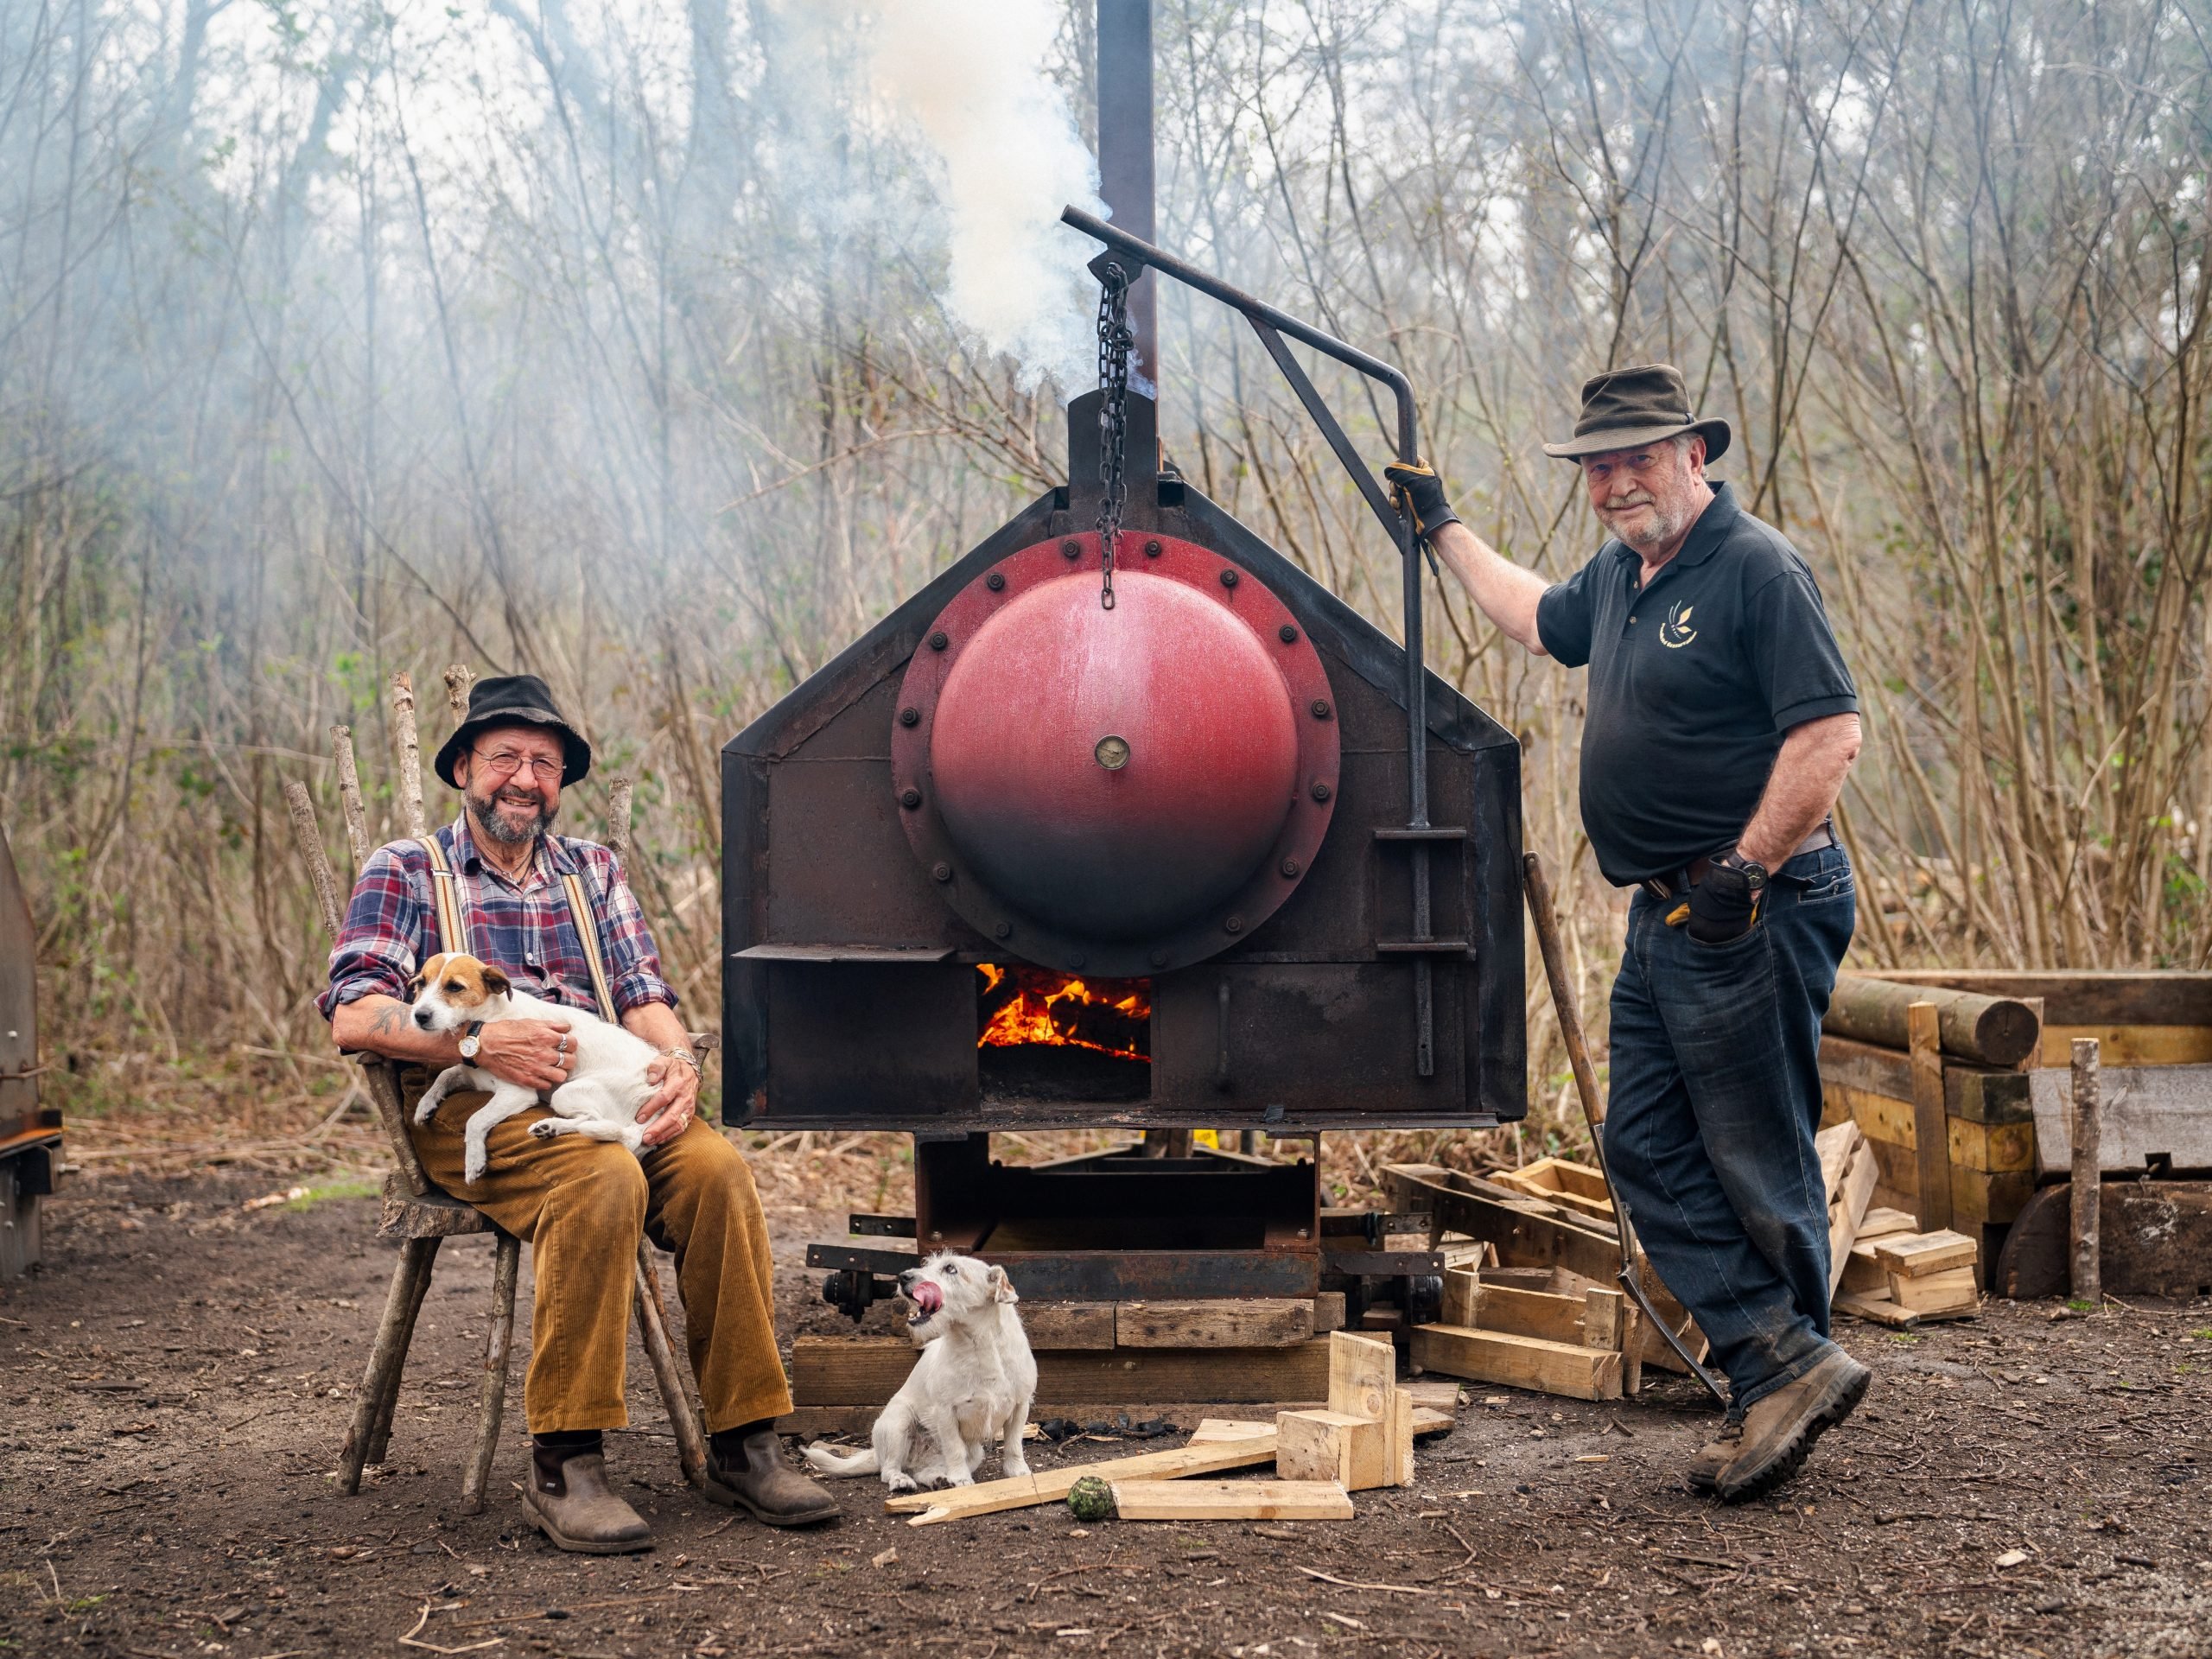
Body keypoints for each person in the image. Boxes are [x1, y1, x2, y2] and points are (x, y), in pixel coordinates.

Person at [1386, 365, 1869, 1502]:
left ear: (1693, 454)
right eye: (1598, 465)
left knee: (1756, 1154)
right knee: (1644, 1149)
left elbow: (1831, 736)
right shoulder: (1622, 574)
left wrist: (1744, 873)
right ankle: (1781, 1364)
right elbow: (1534, 617)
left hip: (1749, 907)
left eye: (1635, 458)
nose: (1613, 483)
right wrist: (1442, 526)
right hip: (1665, 913)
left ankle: (1780, 1380)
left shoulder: (1757, 570)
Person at [321, 673, 839, 1551]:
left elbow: (642, 994)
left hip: (605, 1086)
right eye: (506, 759)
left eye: (545, 765)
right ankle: (566, 1462)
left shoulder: (592, 869)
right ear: (463, 770)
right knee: (598, 1178)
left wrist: (675, 1065)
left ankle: (746, 1444)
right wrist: (479, 1048)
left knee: (716, 1171)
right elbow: (352, 1013)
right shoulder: (408, 869)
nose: (526, 779)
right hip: (477, 1110)